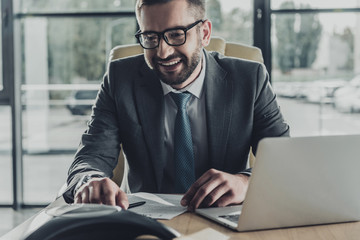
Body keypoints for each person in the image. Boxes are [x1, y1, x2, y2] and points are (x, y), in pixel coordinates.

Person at [64, 0, 290, 211]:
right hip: (147, 221)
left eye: (175, 34)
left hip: (225, 219)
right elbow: (90, 157)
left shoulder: (249, 79)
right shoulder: (120, 79)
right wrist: (90, 181)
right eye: (151, 37)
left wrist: (246, 182)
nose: (163, 52)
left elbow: (286, 163)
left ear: (205, 33)